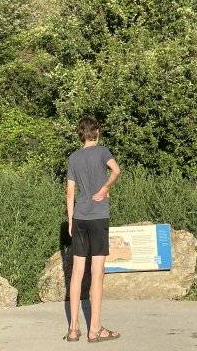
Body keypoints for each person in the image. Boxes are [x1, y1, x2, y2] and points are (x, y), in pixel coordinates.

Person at [65, 116, 121, 343]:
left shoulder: (73, 158)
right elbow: (116, 170)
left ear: (80, 134)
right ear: (96, 131)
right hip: (98, 217)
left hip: (79, 217)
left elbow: (70, 193)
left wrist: (70, 220)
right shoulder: (102, 151)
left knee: (77, 272)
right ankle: (95, 329)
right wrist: (105, 187)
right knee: (97, 272)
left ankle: (73, 329)